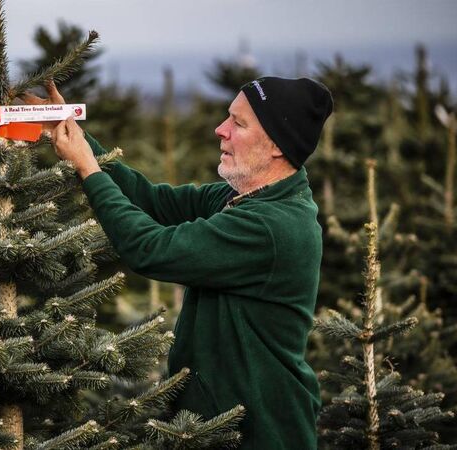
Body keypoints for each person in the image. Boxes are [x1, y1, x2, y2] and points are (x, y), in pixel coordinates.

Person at [23, 76, 333, 449]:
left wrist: (89, 169)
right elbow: (152, 201)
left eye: (238, 123)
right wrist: (71, 132)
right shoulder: (246, 197)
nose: (220, 130)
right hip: (217, 425)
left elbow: (150, 248)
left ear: (277, 147)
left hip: (258, 431)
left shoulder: (272, 226)